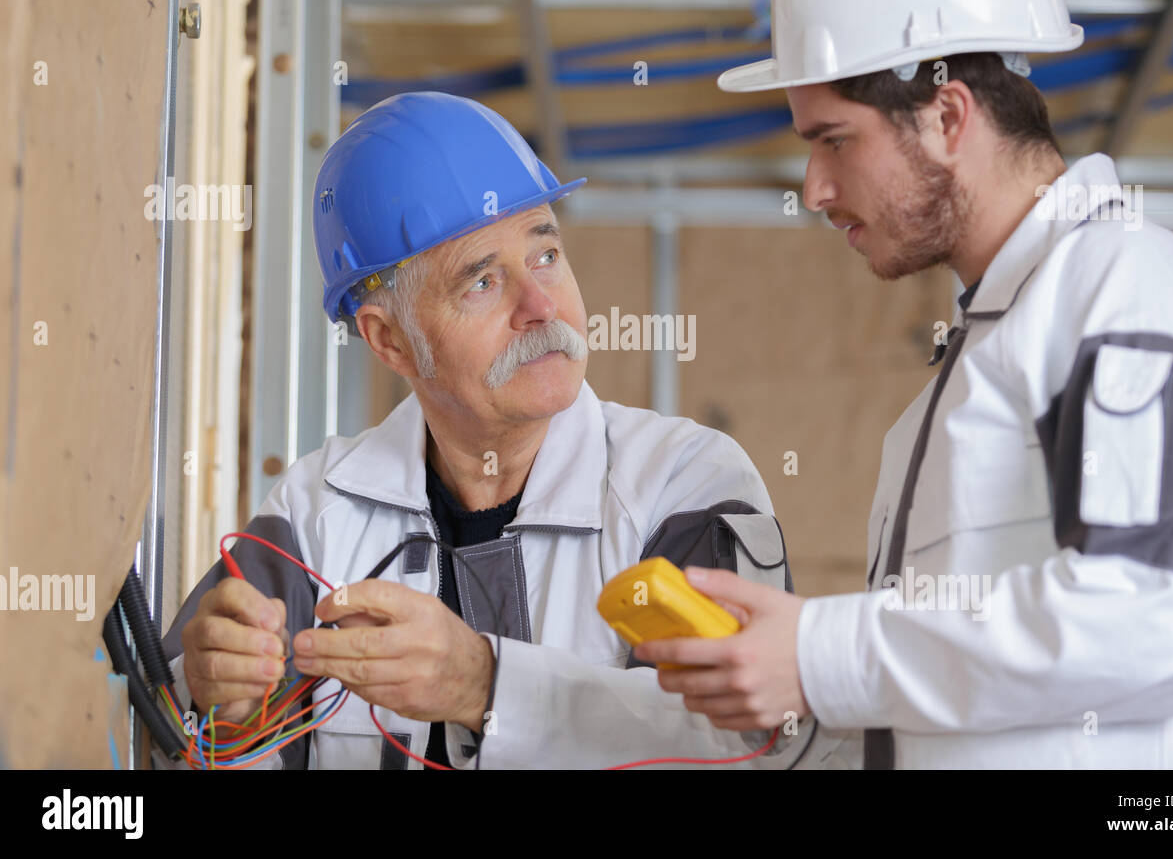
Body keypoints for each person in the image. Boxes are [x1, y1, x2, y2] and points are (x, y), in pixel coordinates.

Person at [637, 0, 1173, 768]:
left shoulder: (1131, 290)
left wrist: (820, 651)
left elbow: (1152, 616)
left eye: (833, 140)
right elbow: (948, 701)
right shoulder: (954, 391)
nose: (815, 187)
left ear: (948, 116)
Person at [160, 91, 856, 769]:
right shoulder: (313, 517)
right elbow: (171, 740)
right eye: (482, 283)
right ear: (392, 342)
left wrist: (484, 687)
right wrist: (221, 706)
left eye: (546, 255)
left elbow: (753, 747)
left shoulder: (684, 483)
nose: (541, 305)